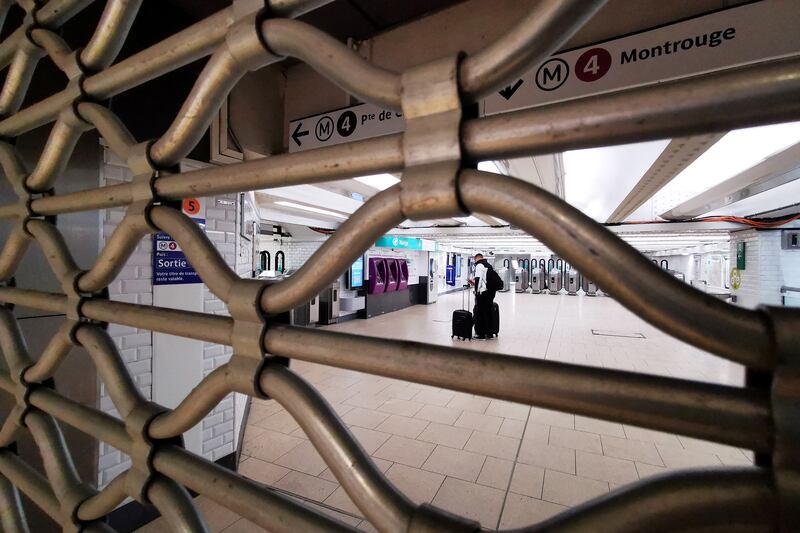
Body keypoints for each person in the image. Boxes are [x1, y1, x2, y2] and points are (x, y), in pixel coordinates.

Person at [471, 253, 496, 340]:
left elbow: (478, 280)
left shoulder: (479, 265)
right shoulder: (489, 265)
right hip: (491, 292)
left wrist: (476, 292)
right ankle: (490, 334)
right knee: (489, 312)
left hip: (483, 293)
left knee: (480, 313)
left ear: (476, 259)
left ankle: (480, 335)